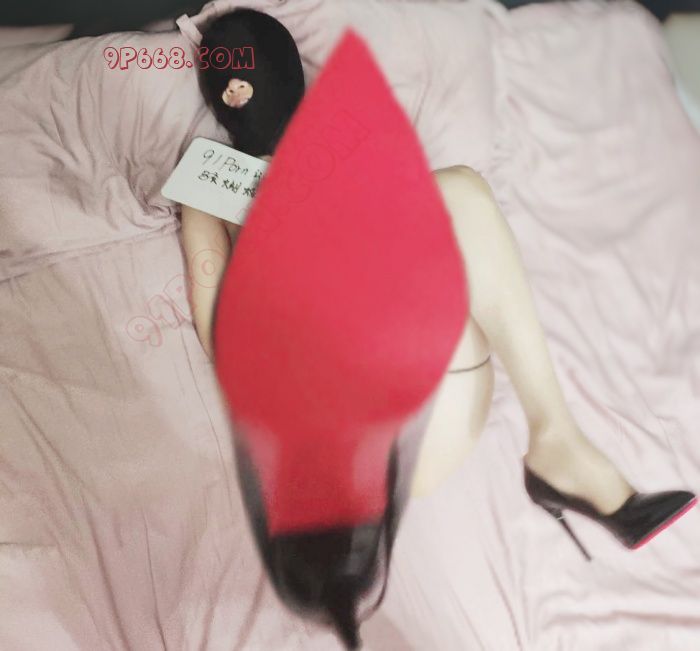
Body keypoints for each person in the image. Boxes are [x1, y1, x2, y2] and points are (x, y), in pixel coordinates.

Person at [180, 7, 696, 648]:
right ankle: (548, 450)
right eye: (225, 77)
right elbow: (213, 303)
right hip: (355, 423)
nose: (238, 88)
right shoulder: (208, 172)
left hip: (440, 378)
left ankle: (557, 439)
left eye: (251, 67)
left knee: (456, 193)